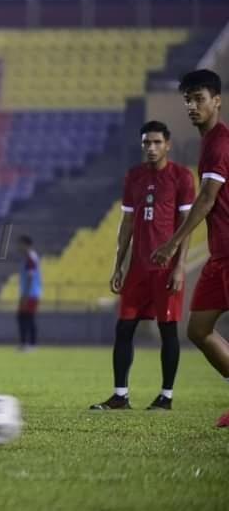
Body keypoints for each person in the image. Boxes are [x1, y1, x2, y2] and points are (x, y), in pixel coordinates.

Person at [91, 121, 194, 411]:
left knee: (168, 331)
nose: (151, 148)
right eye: (146, 143)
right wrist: (119, 266)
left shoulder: (182, 177)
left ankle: (166, 397)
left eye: (157, 142)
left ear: (168, 144)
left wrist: (180, 266)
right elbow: (126, 225)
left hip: (166, 269)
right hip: (137, 269)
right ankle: (120, 395)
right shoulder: (133, 177)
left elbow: (186, 226)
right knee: (124, 328)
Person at [151, 70, 229, 428]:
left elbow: (207, 200)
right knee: (198, 330)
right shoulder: (209, 142)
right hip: (219, 256)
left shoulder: (220, 143)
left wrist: (172, 242)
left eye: (199, 98)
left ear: (217, 100)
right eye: (187, 100)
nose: (192, 106)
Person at [17, 235, 42, 350]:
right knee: (23, 317)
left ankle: (31, 344)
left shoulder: (30, 258)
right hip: (29, 293)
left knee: (27, 318)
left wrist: (25, 295)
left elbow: (30, 276)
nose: (19, 246)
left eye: (21, 244)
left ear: (27, 245)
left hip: (30, 294)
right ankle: (25, 343)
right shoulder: (28, 257)